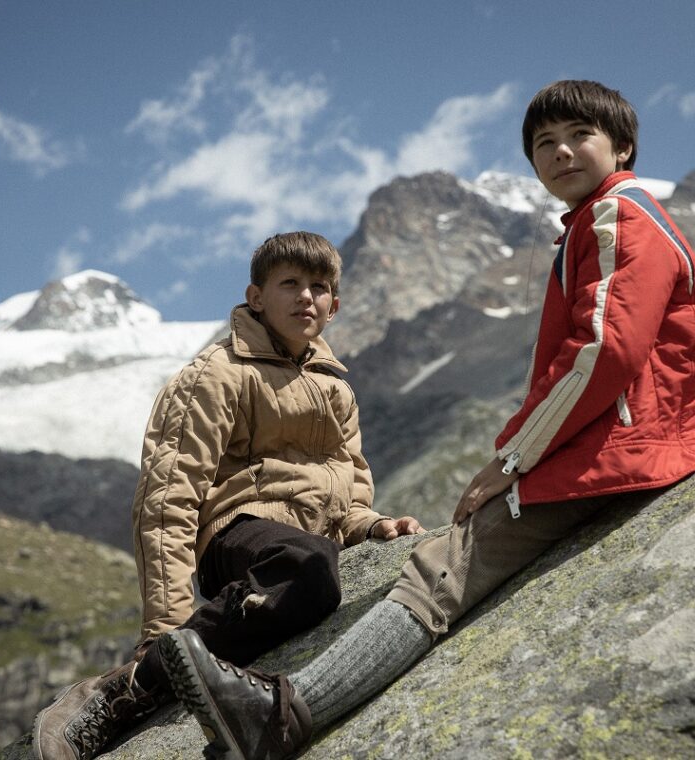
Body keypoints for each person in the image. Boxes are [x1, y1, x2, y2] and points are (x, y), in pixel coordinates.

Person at [159, 79, 695, 760]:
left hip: (638, 444)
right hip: (657, 436)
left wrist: (509, 462)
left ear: (622, 145)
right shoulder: (607, 218)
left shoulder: (620, 215)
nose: (559, 153)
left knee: (445, 563)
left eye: (578, 136)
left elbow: (604, 350)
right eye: (542, 144)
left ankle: (283, 716)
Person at [32, 231, 424, 760]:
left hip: (312, 548)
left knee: (319, 565)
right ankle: (131, 686)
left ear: (334, 307)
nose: (306, 296)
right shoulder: (215, 375)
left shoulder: (336, 388)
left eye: (319, 286)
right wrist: (163, 629)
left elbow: (347, 491)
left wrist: (372, 527)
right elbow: (168, 501)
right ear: (256, 296)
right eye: (290, 283)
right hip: (239, 534)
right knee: (307, 564)